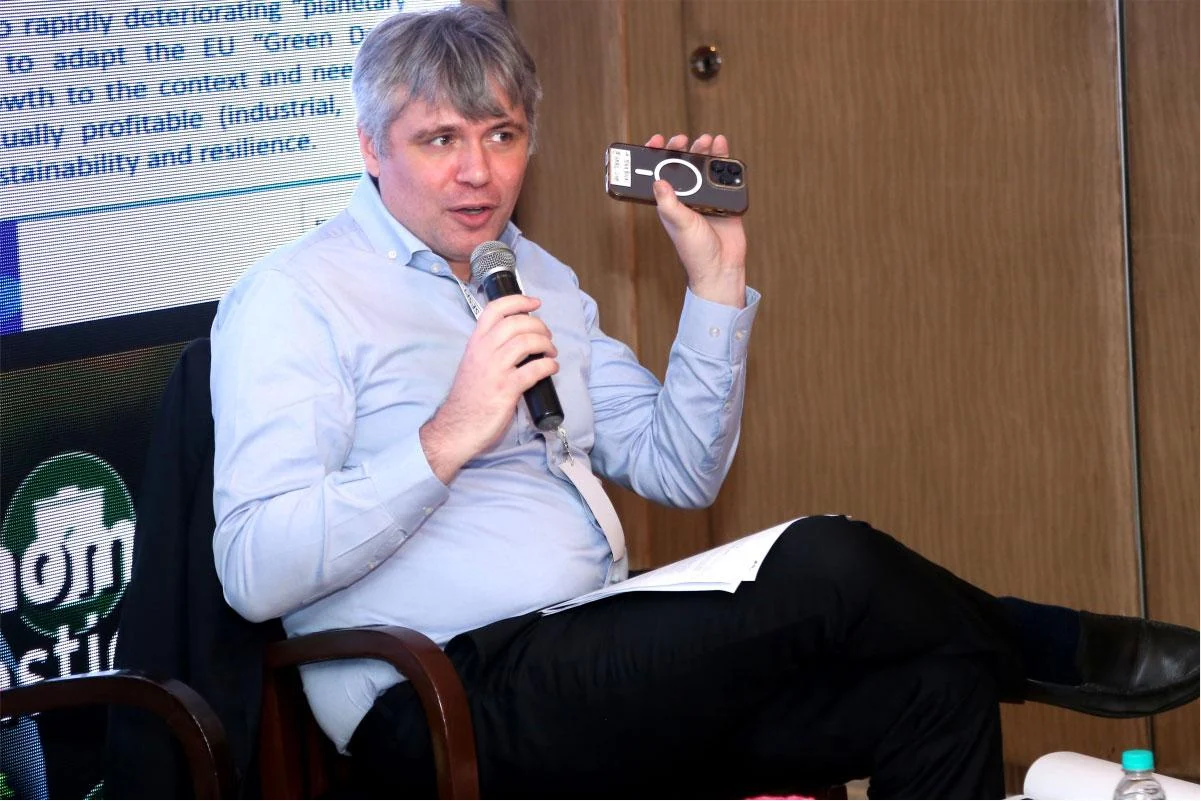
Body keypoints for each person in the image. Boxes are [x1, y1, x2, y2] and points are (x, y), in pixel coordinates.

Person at [209, 6, 1199, 798]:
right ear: (369, 146)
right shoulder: (295, 297)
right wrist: (446, 436)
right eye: (439, 139)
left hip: (597, 648)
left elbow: (678, 469)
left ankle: (1006, 653)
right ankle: (1047, 645)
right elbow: (254, 572)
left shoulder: (536, 275)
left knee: (935, 688)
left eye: (501, 135)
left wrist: (714, 284)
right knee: (828, 558)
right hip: (440, 695)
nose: (478, 172)